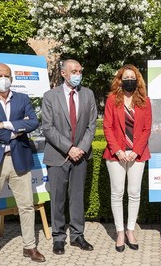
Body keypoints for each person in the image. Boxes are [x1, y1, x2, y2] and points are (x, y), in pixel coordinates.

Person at [0, 63, 45, 266]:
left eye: (7, 75)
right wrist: (17, 130)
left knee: (27, 206)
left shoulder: (22, 98)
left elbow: (34, 122)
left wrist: (5, 125)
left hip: (18, 159)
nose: (4, 79)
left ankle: (29, 246)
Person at [41, 59, 97, 255]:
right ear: (63, 73)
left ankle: (77, 235)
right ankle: (58, 237)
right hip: (58, 156)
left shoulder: (88, 94)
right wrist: (69, 148)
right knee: (57, 199)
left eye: (80, 71)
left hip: (80, 156)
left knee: (77, 198)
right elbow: (47, 127)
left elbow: (91, 126)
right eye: (74, 71)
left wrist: (80, 148)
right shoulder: (50, 96)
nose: (78, 74)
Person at [102, 64, 152, 252]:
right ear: (120, 80)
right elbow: (107, 126)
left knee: (134, 193)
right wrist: (118, 150)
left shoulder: (145, 101)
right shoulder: (112, 100)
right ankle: (120, 232)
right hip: (117, 155)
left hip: (137, 155)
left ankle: (131, 230)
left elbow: (147, 128)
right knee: (117, 193)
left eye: (132, 77)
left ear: (137, 80)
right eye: (126, 77)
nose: (129, 80)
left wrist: (136, 151)